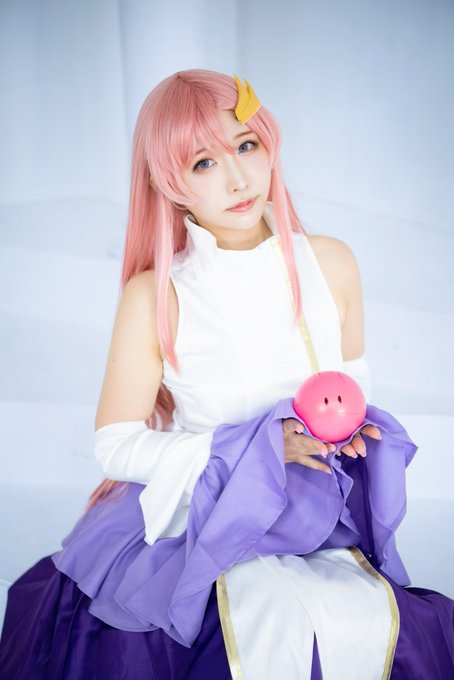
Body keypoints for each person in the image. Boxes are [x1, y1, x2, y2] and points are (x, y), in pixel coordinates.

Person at [0, 69, 453, 679]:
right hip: (202, 513)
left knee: (366, 628)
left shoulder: (332, 263)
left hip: (317, 509)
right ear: (167, 181)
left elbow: (351, 383)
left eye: (246, 145)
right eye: (204, 163)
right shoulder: (158, 294)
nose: (239, 178)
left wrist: (349, 431)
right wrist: (251, 448)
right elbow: (116, 444)